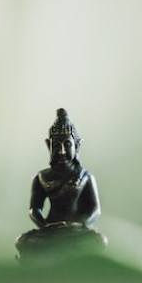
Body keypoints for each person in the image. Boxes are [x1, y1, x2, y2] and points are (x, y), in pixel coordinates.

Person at [15, 108, 107, 261]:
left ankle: (66, 255)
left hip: (75, 231)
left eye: (67, 145)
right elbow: (34, 208)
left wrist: (79, 225)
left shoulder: (85, 176)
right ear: (48, 146)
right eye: (56, 145)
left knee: (98, 240)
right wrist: (44, 225)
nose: (62, 151)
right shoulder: (42, 177)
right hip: (51, 231)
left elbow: (94, 210)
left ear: (77, 145)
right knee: (23, 241)